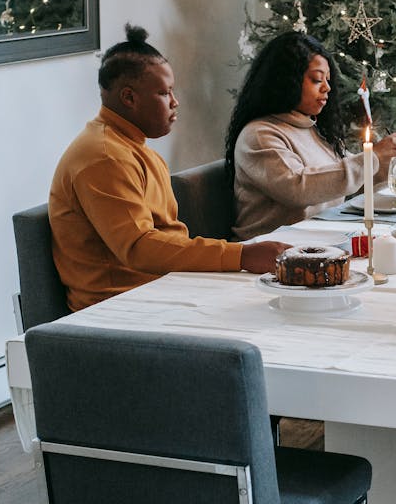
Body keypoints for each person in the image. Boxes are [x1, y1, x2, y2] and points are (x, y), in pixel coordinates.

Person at [49, 24, 287, 312]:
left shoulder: (129, 145)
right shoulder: (104, 157)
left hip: (162, 287)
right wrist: (242, 255)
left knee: (278, 297)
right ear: (129, 98)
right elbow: (140, 248)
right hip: (119, 308)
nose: (175, 102)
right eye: (164, 93)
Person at [225, 31, 396, 240]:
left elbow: (346, 185)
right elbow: (298, 188)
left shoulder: (314, 129)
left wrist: (387, 166)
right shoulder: (258, 135)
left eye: (327, 80)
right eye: (316, 79)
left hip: (318, 244)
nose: (327, 88)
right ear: (286, 81)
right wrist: (371, 158)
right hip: (267, 254)